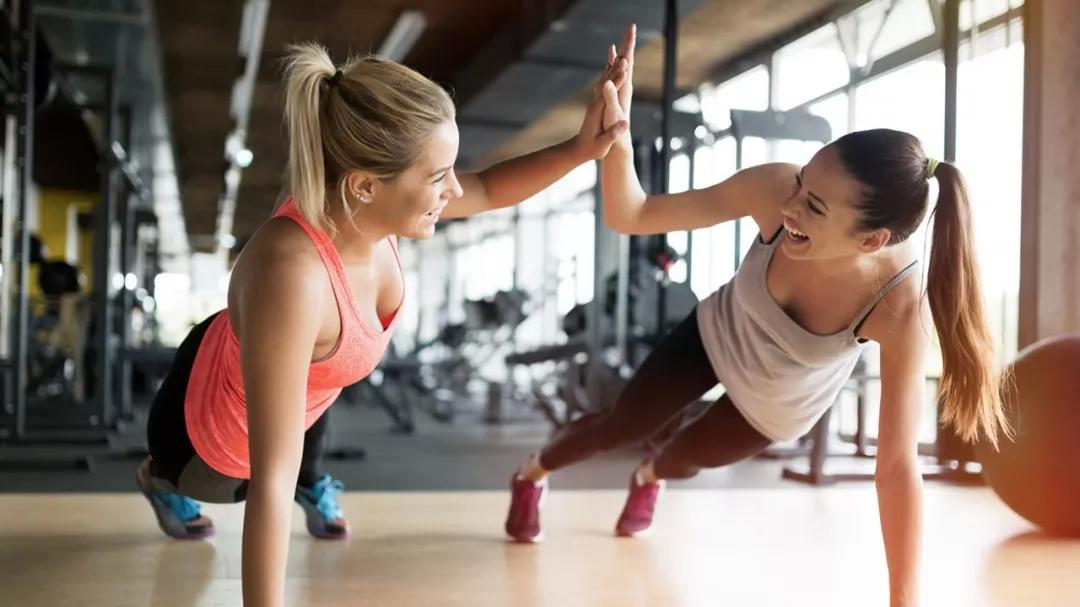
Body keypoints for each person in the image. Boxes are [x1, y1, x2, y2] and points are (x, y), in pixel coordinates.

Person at [504, 25, 1009, 607]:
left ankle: (650, 478)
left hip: (777, 404)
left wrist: (904, 599)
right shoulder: (774, 191)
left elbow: (897, 468)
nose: (790, 205)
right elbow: (632, 213)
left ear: (871, 242)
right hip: (716, 334)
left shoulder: (898, 307)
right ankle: (532, 473)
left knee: (681, 457)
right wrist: (616, 133)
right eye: (802, 184)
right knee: (624, 424)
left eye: (813, 207)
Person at [136, 41, 630, 606]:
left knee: (307, 422)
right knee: (254, 477)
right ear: (364, 185)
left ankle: (305, 461)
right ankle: (156, 479)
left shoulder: (370, 208)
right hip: (203, 441)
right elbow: (270, 482)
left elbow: (490, 188)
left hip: (298, 374)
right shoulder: (294, 273)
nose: (455, 189)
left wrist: (582, 148)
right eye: (439, 175)